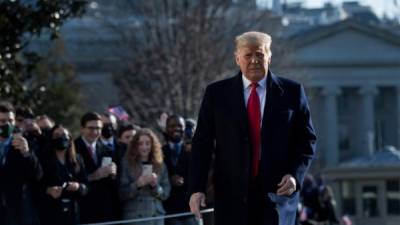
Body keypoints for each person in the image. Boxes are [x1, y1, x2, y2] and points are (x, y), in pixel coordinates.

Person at [189, 31, 317, 225]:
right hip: (231, 196)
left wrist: (294, 175)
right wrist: (196, 188)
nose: (255, 61)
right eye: (248, 55)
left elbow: (306, 140)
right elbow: (202, 144)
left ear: (269, 57)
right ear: (237, 58)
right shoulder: (216, 94)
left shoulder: (292, 92)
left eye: (260, 54)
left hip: (277, 196)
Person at [0, 102, 43, 225]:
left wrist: (26, 153)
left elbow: (38, 175)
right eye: (2, 121)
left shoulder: (26, 142)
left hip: (18, 212)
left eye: (11, 120)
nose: (7, 124)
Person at [74, 112, 119, 223]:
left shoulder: (106, 150)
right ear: (82, 129)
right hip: (82, 209)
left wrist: (113, 174)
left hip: (105, 211)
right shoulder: (72, 148)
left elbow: (112, 184)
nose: (94, 132)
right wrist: (93, 176)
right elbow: (70, 179)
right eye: (90, 128)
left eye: (98, 128)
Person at [119, 128, 170, 225]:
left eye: (147, 143)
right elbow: (121, 193)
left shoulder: (160, 165)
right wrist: (137, 184)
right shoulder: (126, 164)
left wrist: (155, 186)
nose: (144, 147)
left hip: (155, 218)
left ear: (152, 145)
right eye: (140, 143)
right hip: (134, 218)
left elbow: (166, 194)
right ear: (135, 145)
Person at [40, 125, 88, 225]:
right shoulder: (43, 159)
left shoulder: (77, 159)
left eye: (64, 135)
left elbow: (86, 186)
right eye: (56, 135)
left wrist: (78, 186)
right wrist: (49, 190)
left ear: (70, 138)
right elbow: (36, 185)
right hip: (51, 213)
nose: (61, 138)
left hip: (73, 212)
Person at [162, 115, 196, 225]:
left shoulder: (192, 150)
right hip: (168, 210)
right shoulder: (159, 151)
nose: (176, 128)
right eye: (172, 126)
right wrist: (169, 180)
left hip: (189, 208)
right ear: (166, 129)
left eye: (180, 126)